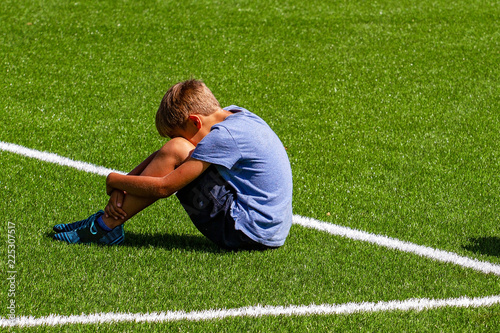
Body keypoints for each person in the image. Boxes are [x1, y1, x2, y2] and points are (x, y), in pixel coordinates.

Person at [53, 79, 293, 250]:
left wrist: (113, 179)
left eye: (178, 133)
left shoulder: (223, 137)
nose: (177, 140)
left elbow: (164, 188)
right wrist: (122, 187)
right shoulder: (237, 114)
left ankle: (104, 226)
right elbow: (163, 155)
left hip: (244, 231)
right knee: (176, 150)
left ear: (194, 122)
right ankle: (107, 222)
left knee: (178, 150)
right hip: (270, 229)